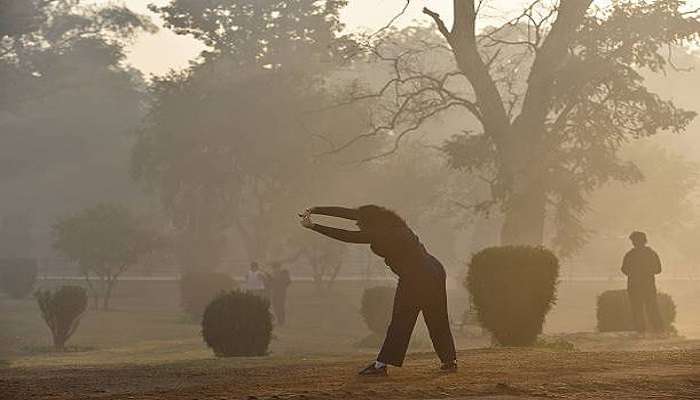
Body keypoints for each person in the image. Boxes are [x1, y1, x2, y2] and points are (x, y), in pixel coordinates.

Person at [300, 205, 457, 376]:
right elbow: (348, 214)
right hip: (434, 269)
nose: (357, 225)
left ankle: (381, 365)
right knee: (437, 317)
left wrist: (314, 227)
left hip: (415, 276)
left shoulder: (380, 233)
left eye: (361, 223)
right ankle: (449, 361)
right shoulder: (392, 223)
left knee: (401, 321)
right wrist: (315, 210)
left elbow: (347, 236)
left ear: (370, 222)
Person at [621, 231, 663, 335]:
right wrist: (647, 272)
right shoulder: (651, 254)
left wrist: (634, 273)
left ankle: (641, 330)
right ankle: (658, 329)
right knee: (652, 307)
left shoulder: (630, 255)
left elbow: (624, 269)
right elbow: (658, 269)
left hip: (634, 286)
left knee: (637, 309)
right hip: (648, 285)